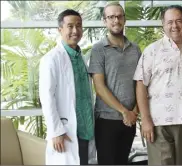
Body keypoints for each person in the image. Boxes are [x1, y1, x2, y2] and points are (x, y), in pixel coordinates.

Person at [134, 5, 182, 165]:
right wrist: (145, 119)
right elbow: (140, 85)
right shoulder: (152, 51)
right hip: (158, 122)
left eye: (179, 21)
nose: (175, 26)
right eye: (170, 22)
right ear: (163, 25)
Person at [88, 2, 141, 165]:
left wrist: (134, 111)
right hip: (106, 120)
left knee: (123, 162)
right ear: (105, 21)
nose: (115, 20)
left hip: (130, 120)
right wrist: (124, 111)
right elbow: (99, 86)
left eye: (119, 16)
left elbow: (140, 83)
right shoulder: (98, 49)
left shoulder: (135, 49)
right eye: (111, 17)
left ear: (124, 19)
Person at [39, 9, 95, 165]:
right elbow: (47, 97)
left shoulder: (81, 57)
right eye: (70, 26)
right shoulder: (51, 59)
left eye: (79, 26)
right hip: (65, 131)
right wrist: (56, 131)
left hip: (84, 129)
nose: (75, 31)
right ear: (60, 29)